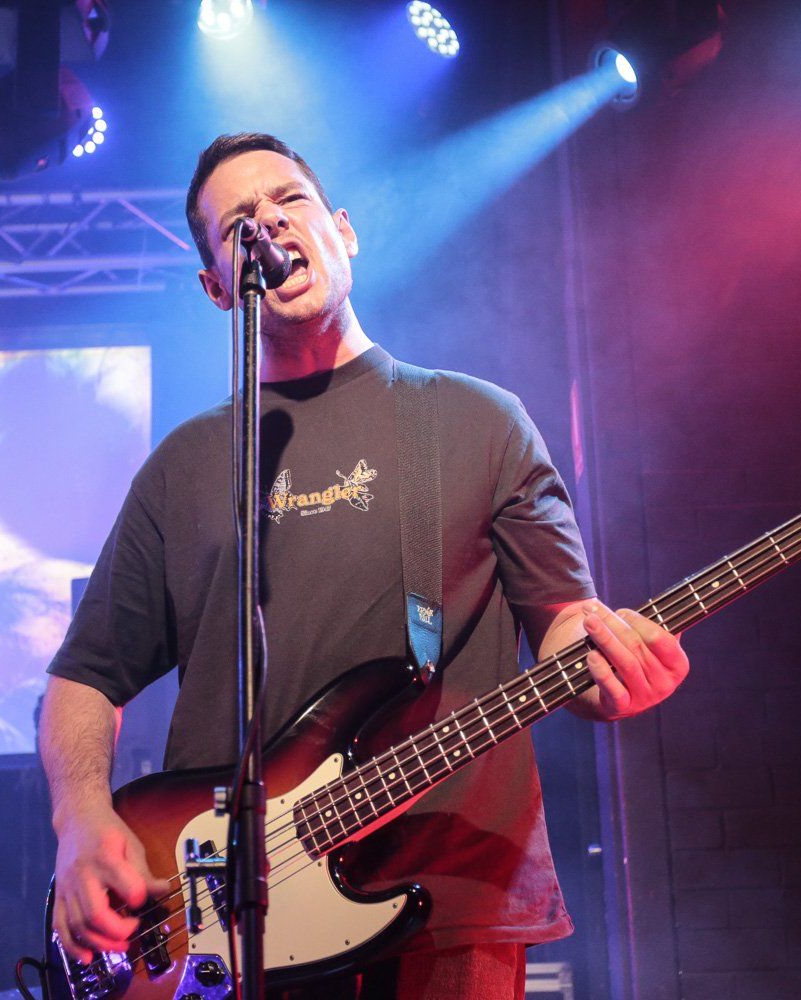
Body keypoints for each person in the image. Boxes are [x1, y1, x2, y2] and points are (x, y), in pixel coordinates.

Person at [40, 132, 690, 999]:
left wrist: (609, 670)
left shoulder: (477, 421)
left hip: (451, 907)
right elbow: (85, 676)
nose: (268, 225)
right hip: (222, 924)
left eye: (289, 200)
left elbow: (566, 620)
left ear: (342, 230)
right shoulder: (186, 465)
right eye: (237, 225)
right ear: (216, 287)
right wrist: (81, 819)